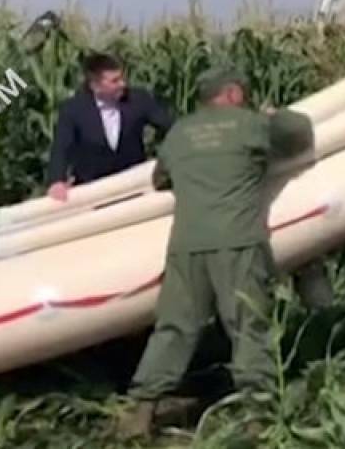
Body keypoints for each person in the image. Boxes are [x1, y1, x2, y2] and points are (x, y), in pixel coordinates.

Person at [116, 67, 315, 438]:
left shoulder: (178, 133)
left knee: (174, 327)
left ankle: (141, 411)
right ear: (234, 94)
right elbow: (300, 133)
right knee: (247, 326)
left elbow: (160, 179)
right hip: (237, 243)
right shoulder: (251, 125)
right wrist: (274, 114)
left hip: (187, 245)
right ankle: (260, 411)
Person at [47, 52, 173, 201]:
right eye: (115, 81)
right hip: (92, 191)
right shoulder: (73, 110)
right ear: (95, 86)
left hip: (134, 186)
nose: (122, 84)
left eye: (122, 78)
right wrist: (57, 180)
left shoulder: (139, 100)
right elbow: (61, 146)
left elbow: (170, 126)